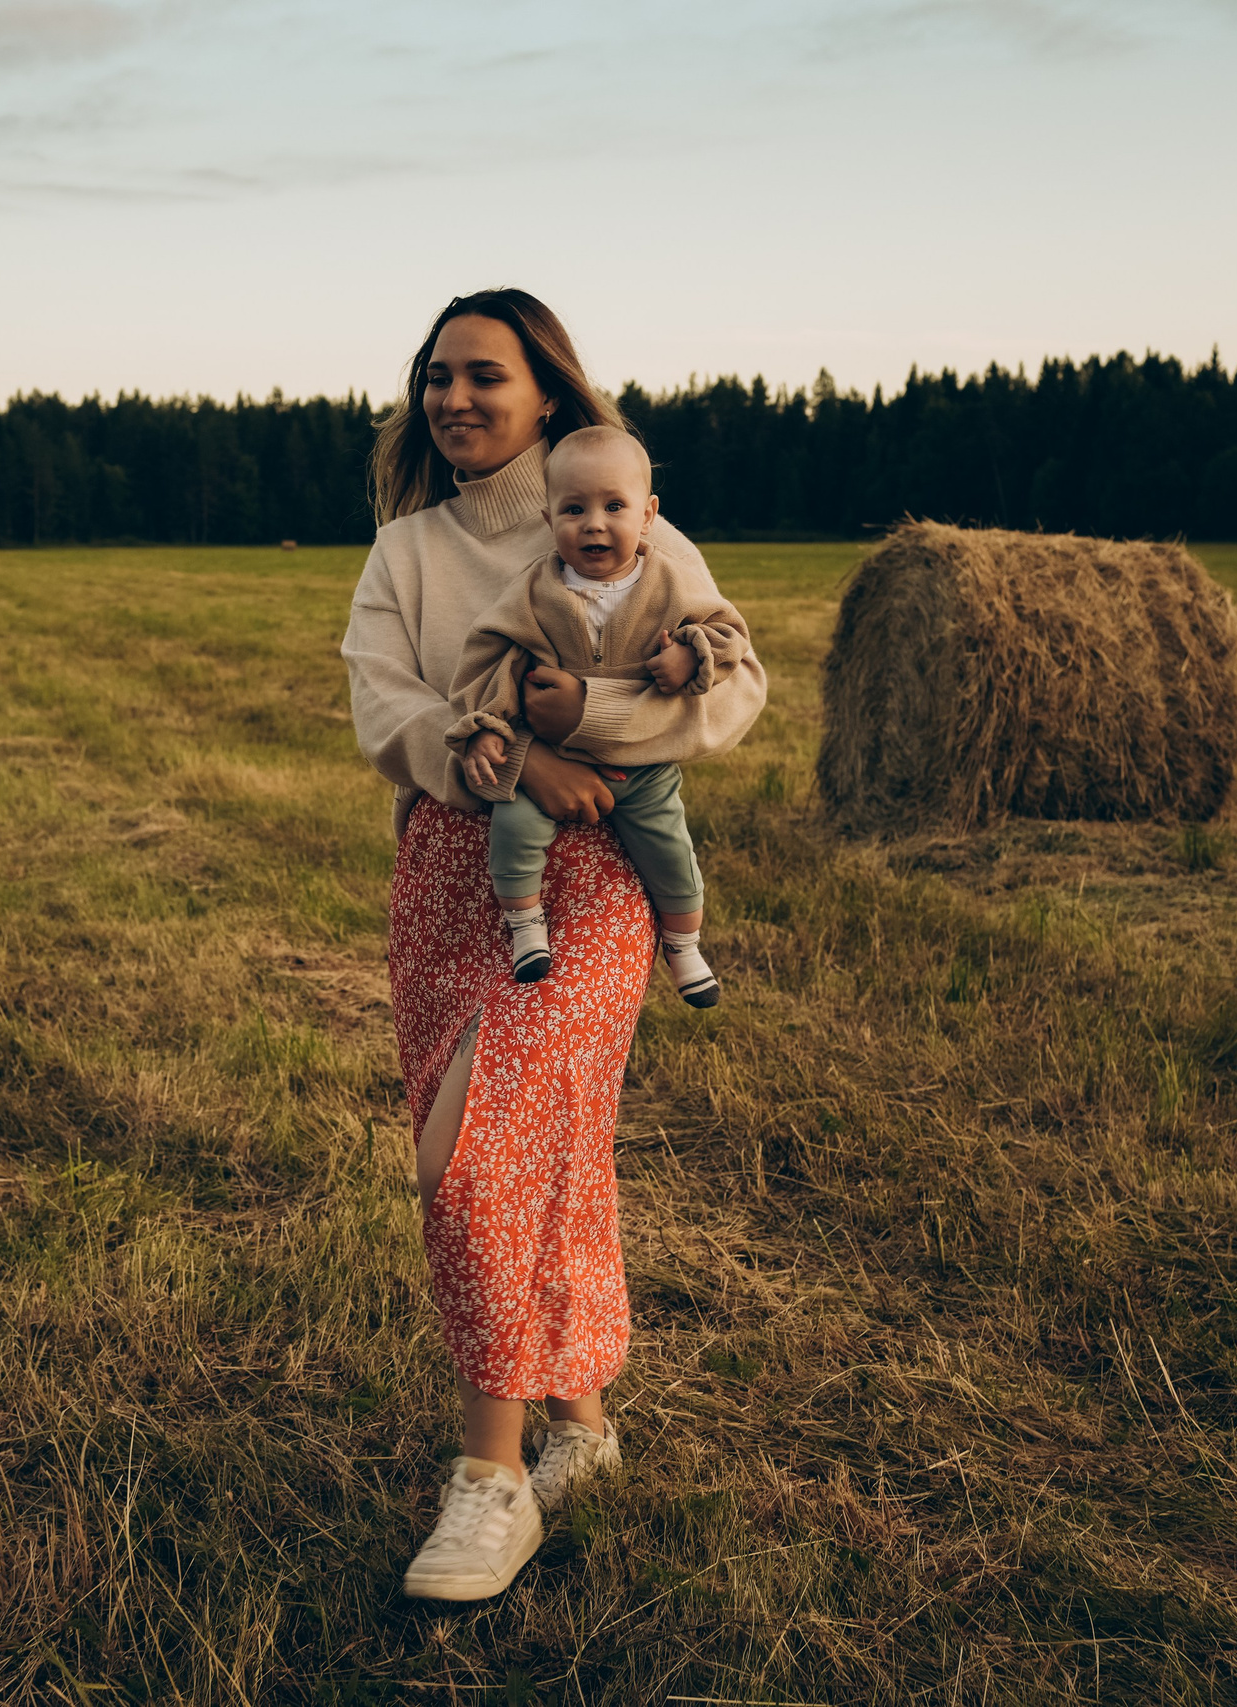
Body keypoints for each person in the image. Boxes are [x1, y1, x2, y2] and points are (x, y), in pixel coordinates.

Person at [341, 289, 767, 1601]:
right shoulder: (406, 549)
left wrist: (596, 731)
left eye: (484, 375)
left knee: (481, 1145)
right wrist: (505, 753)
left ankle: (491, 1477)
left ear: (547, 392)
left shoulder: (618, 518)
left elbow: (735, 680)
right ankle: (582, 1421)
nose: (453, 398)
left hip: (588, 878)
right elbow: (384, 704)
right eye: (436, 377)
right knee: (537, 1147)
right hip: (446, 869)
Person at [442, 425, 750, 1005]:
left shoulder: (667, 580)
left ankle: (684, 947)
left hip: (644, 761)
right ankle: (526, 927)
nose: (594, 523)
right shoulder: (535, 589)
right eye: (574, 509)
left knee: (669, 848)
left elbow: (729, 634)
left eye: (615, 507)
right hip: (552, 755)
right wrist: (484, 727)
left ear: (648, 513)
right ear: (547, 518)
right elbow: (492, 656)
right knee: (513, 830)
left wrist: (691, 655)